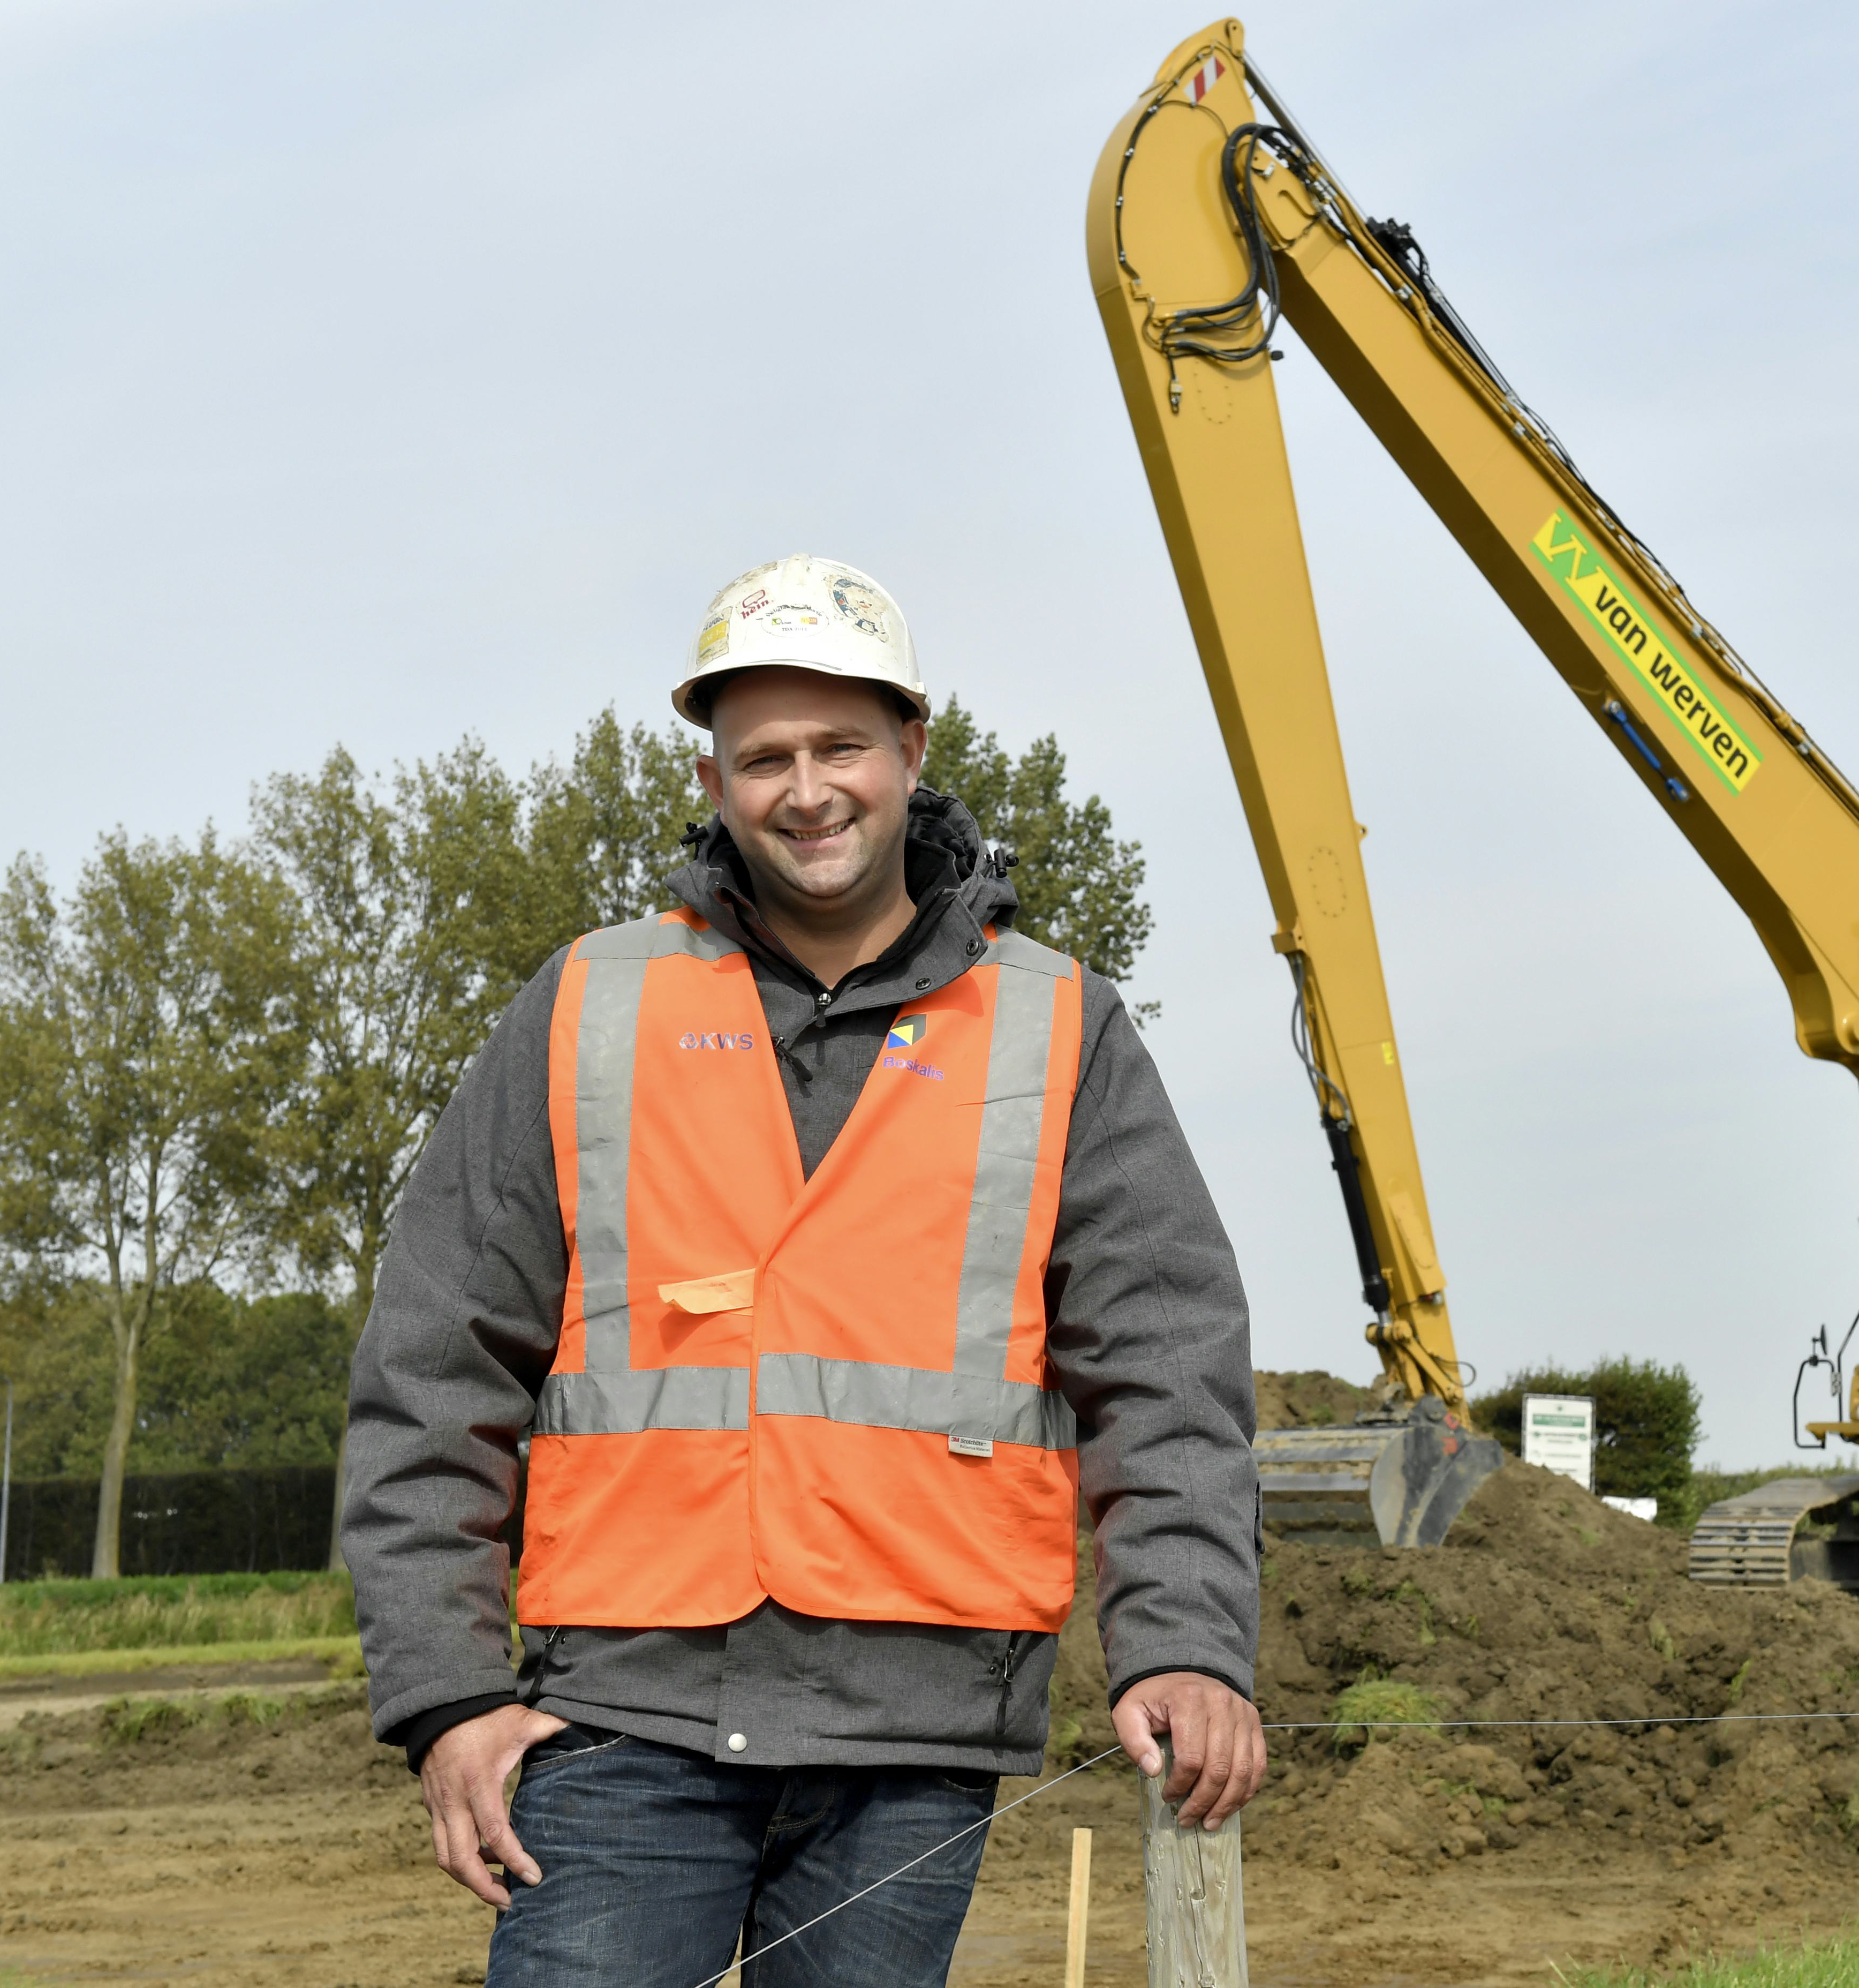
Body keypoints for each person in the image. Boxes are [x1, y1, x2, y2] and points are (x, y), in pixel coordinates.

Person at [342, 553, 1264, 1987]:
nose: (807, 789)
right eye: (763, 756)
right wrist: (447, 1692)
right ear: (713, 781)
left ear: (912, 747)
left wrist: (1185, 1644)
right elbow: (430, 1363)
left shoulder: (1060, 1027)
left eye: (840, 745)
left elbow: (1168, 1370)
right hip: (622, 1725)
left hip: (914, 1740)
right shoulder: (591, 1005)